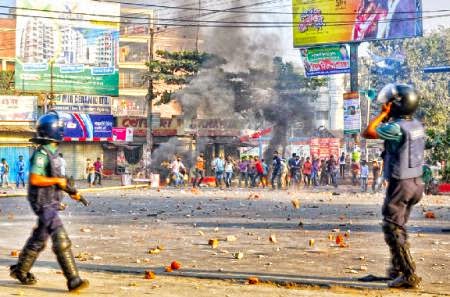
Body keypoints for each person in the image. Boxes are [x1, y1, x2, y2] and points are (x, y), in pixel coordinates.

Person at [10, 111, 89, 292]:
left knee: (39, 238)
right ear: (56, 131)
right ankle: (73, 280)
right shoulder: (41, 154)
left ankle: (21, 270)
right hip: (42, 202)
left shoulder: (53, 153)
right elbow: (36, 179)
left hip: (50, 201)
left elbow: (57, 179)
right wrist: (57, 182)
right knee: (60, 238)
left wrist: (72, 192)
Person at [363, 83, 424, 288]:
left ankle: (408, 274)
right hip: (416, 182)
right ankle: (397, 269)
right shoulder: (415, 125)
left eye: (390, 102)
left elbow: (368, 132)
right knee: (399, 225)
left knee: (391, 226)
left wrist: (382, 114)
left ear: (397, 105)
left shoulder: (395, 127)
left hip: (401, 183)